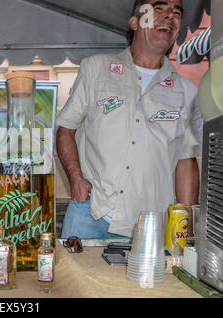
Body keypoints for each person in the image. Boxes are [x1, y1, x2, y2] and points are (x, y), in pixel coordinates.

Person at [56, 0, 202, 239]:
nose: (169, 16)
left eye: (176, 13)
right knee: (72, 277)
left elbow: (186, 161)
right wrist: (76, 178)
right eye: (159, 8)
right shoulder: (96, 69)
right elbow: (65, 130)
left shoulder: (186, 91)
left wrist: (184, 228)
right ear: (135, 21)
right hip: (90, 213)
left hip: (153, 225)